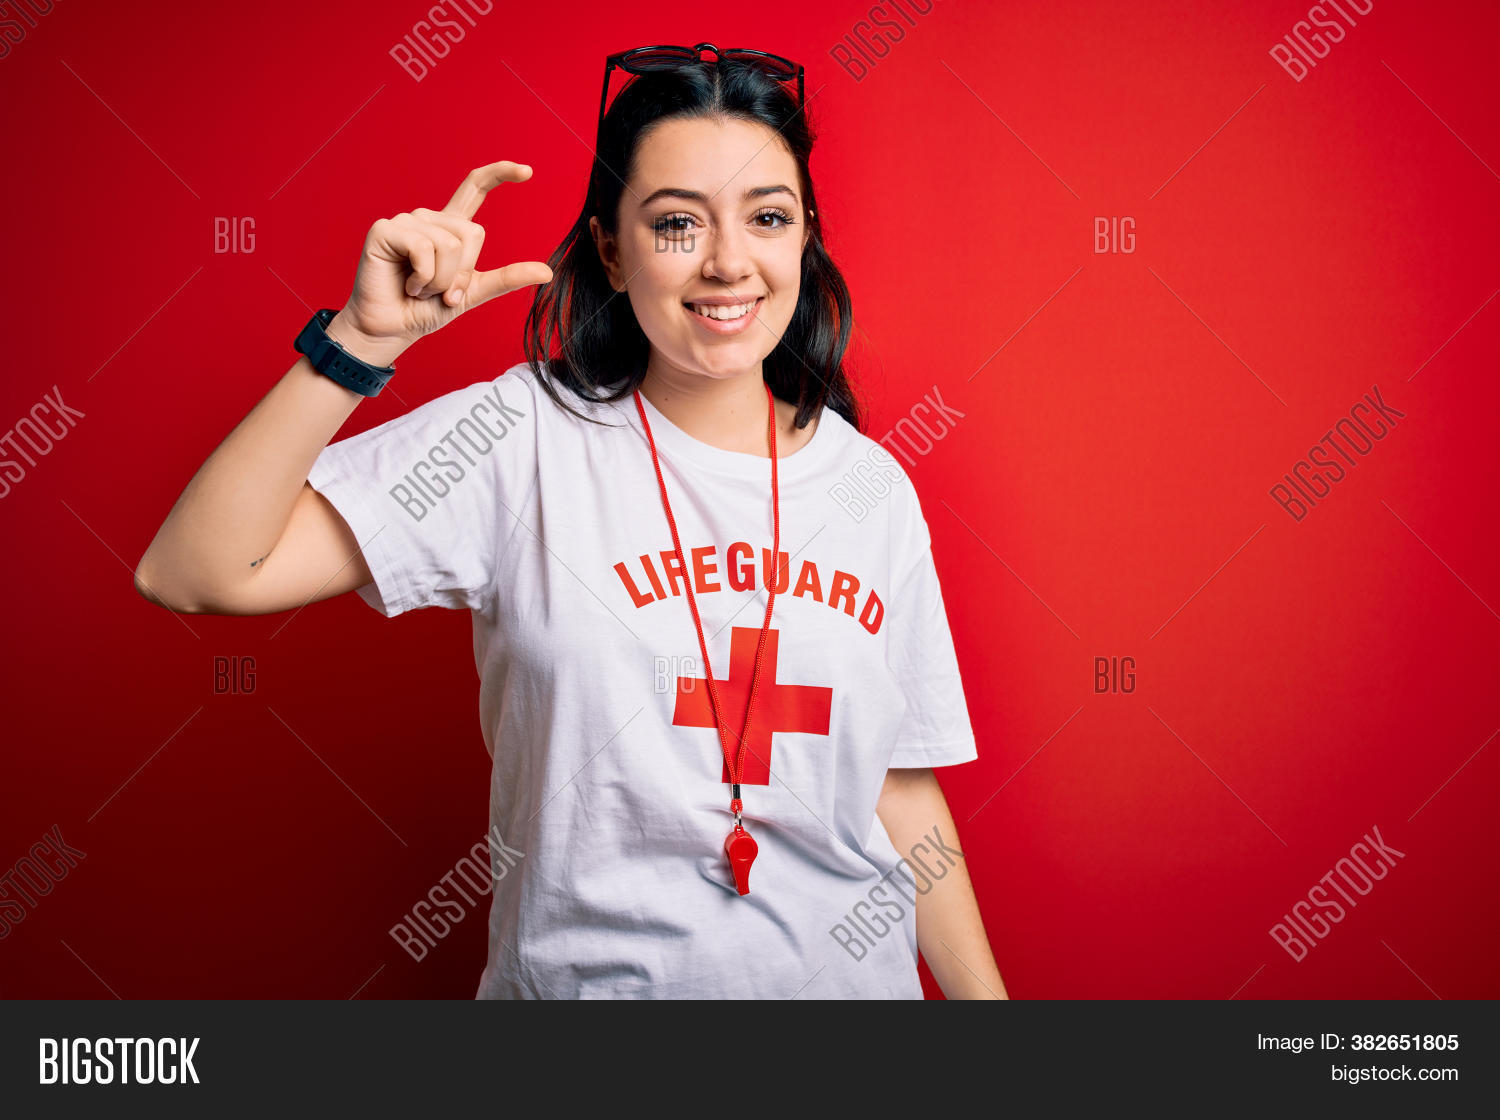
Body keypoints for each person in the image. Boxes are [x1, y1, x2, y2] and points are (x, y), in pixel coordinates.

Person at [134, 43, 1007, 1000]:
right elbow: (198, 571)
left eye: (767, 217)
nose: (728, 261)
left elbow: (900, 789)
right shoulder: (521, 437)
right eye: (676, 223)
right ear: (608, 248)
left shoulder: (869, 490)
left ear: (803, 240)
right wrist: (358, 344)